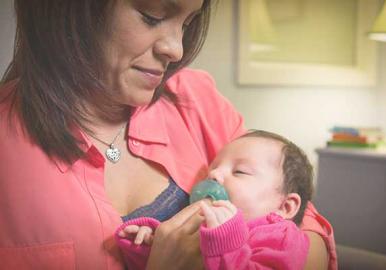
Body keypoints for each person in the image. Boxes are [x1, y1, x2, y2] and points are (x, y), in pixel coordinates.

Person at [0, 0, 336, 269]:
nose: (176, 50)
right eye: (152, 16)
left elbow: (300, 216)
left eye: (187, 23)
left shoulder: (196, 97)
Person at [115, 130, 313, 270]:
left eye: (239, 171)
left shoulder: (282, 236)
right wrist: (149, 245)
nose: (215, 174)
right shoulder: (202, 223)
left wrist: (225, 241)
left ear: (285, 206)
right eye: (213, 167)